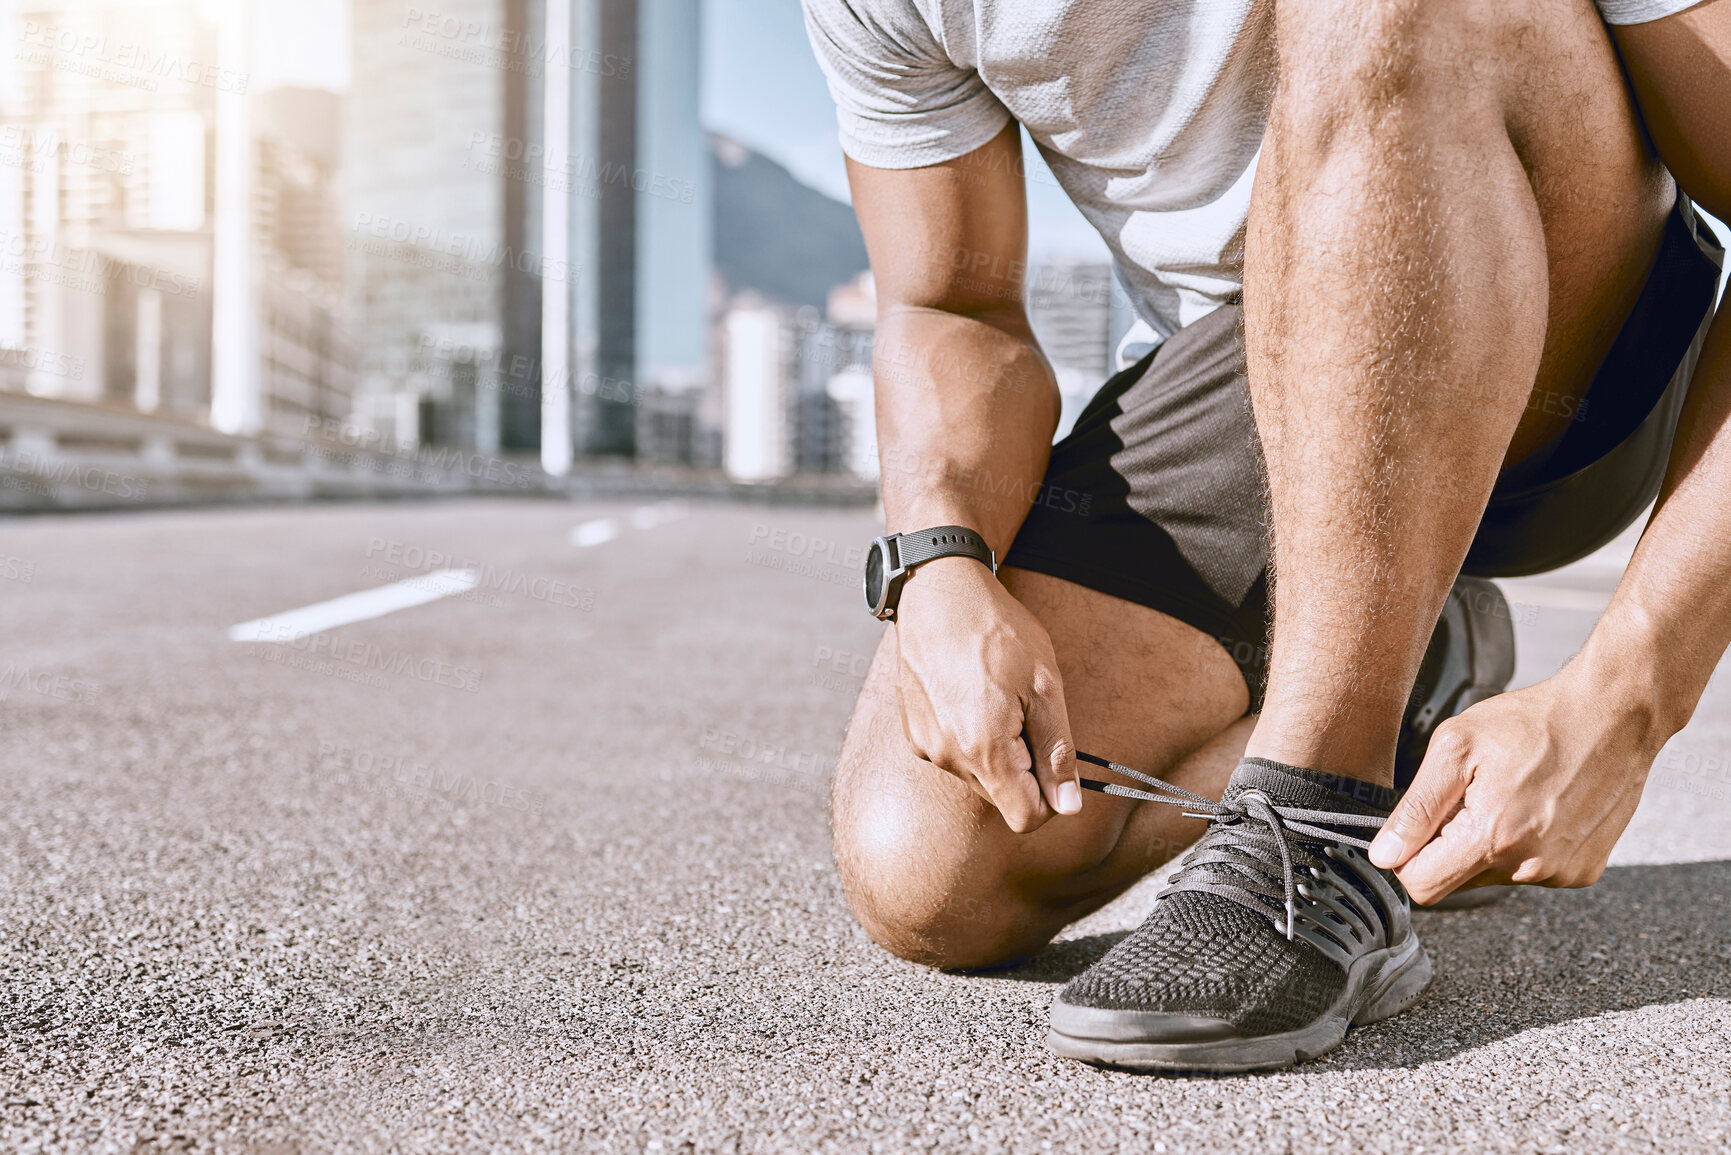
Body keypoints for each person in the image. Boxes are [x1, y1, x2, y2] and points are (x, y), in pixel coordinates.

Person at [801, 0, 1731, 1071]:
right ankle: (1415, 686)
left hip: (1575, 346)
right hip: (1256, 364)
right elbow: (950, 303)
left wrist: (1628, 694)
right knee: (932, 864)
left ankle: (1318, 814)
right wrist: (938, 565)